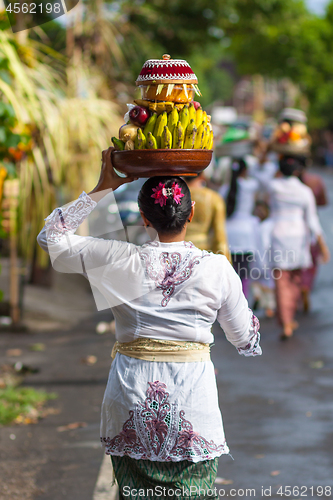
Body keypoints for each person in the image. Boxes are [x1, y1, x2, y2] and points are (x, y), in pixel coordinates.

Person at [37, 148, 262, 499]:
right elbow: (246, 341)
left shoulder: (118, 259)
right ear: (192, 214)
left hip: (131, 406)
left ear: (144, 217)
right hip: (193, 409)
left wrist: (102, 188)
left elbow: (50, 238)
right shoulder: (216, 268)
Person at [268, 156, 330, 340]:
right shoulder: (304, 191)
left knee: (281, 279)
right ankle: (289, 316)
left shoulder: (273, 187)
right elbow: (312, 220)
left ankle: (285, 321)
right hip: (298, 236)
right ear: (297, 171)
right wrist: (322, 244)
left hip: (278, 233)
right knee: (295, 278)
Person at [220, 158, 260, 299]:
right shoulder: (251, 186)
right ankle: (243, 305)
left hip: (228, 234)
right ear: (245, 170)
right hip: (246, 234)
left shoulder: (225, 189)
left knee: (229, 274)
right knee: (244, 273)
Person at [185, 173, 230, 259]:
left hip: (178, 252)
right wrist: (226, 264)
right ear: (202, 176)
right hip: (202, 254)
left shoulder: (177, 196)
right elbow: (220, 238)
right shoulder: (213, 198)